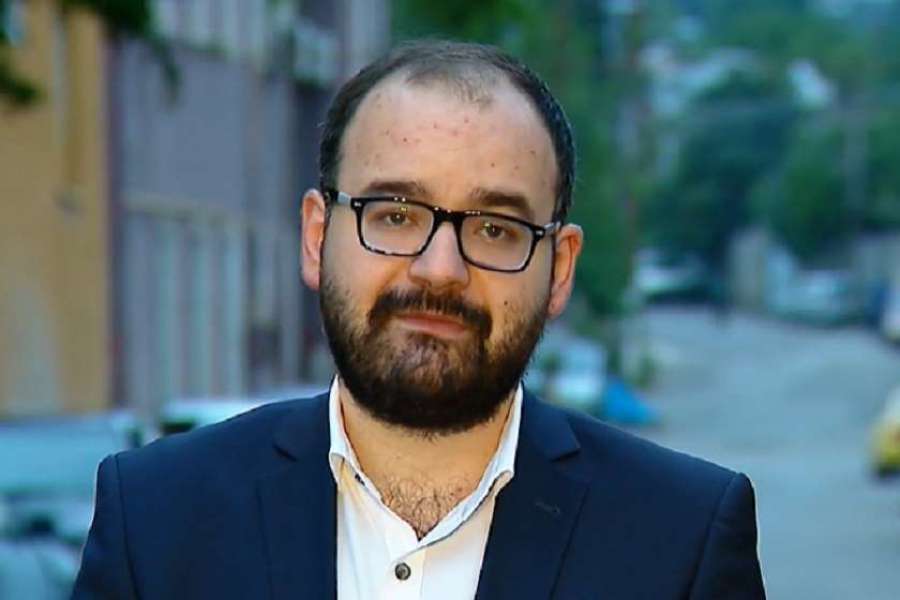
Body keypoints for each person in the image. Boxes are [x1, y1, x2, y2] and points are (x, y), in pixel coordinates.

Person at [72, 40, 765, 599]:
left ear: (559, 269)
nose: (439, 270)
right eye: (395, 216)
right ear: (316, 236)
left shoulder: (684, 540)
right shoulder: (157, 520)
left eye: (494, 229)